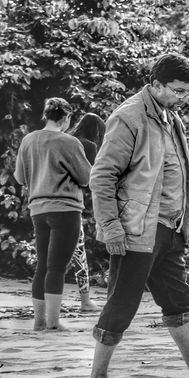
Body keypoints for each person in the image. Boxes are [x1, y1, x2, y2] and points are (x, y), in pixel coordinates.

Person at [85, 54, 189, 378]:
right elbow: (102, 176)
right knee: (122, 302)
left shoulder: (171, 118)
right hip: (138, 228)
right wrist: (110, 227)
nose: (184, 97)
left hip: (169, 227)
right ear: (156, 84)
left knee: (177, 300)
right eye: (178, 90)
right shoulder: (128, 117)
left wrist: (184, 224)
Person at [13, 97, 92, 332]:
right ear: (66, 118)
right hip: (66, 209)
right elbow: (86, 178)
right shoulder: (69, 142)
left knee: (43, 266)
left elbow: (19, 177)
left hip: (38, 209)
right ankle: (54, 322)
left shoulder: (29, 140)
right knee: (57, 267)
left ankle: (39, 322)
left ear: (45, 115)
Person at [67, 112, 107, 312]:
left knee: (51, 256)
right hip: (72, 204)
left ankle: (45, 302)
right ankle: (85, 300)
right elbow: (90, 178)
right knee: (79, 255)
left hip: (44, 203)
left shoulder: (66, 140)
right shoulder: (88, 146)